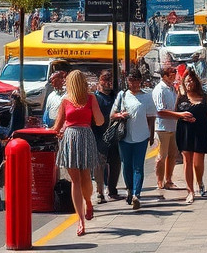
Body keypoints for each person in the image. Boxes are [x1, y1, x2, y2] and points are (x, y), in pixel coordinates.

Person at [53, 69, 104, 235]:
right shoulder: (81, 99)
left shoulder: (84, 99)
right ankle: (81, 219)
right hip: (80, 137)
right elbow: (100, 121)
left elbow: (57, 127)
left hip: (74, 137)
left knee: (84, 176)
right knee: (77, 179)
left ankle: (88, 203)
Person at [109, 67, 156, 210]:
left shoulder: (147, 97)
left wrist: (151, 135)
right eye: (131, 80)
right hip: (125, 136)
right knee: (126, 165)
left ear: (140, 81)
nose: (134, 84)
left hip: (141, 136)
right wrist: (120, 115)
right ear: (127, 81)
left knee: (138, 166)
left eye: (137, 80)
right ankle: (129, 189)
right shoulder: (122, 95)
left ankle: (137, 194)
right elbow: (112, 115)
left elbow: (151, 118)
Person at [175, 69, 207, 204]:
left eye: (191, 80)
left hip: (201, 131)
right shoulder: (180, 97)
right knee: (187, 161)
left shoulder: (204, 97)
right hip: (185, 131)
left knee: (198, 163)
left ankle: (200, 181)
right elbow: (175, 113)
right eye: (186, 81)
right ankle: (190, 191)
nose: (189, 83)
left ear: (196, 82)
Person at [152, 64, 186, 190]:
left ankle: (169, 179)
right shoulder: (159, 89)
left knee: (173, 155)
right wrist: (178, 115)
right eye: (171, 76)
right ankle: (160, 181)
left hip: (173, 127)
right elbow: (160, 111)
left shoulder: (172, 88)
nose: (173, 78)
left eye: (174, 75)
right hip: (162, 128)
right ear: (164, 76)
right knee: (162, 156)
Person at [93, 69, 121, 202]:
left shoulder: (117, 96)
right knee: (99, 165)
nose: (108, 81)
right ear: (99, 80)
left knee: (115, 163)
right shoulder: (95, 97)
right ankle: (100, 192)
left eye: (110, 79)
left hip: (115, 135)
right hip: (99, 135)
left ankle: (112, 190)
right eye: (105, 78)